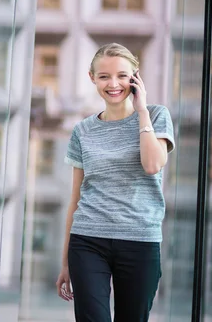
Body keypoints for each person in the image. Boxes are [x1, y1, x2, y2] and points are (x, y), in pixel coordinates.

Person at [56, 43, 175, 322]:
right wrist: (65, 261)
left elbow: (152, 164)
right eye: (104, 76)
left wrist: (142, 110)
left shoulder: (157, 115)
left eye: (122, 75)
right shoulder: (82, 130)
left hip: (140, 240)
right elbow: (76, 197)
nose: (113, 84)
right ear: (92, 78)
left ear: (135, 77)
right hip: (88, 241)